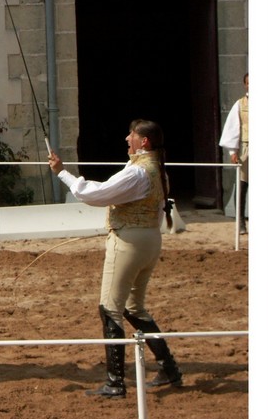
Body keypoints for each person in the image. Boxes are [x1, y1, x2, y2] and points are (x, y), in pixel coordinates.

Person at [48, 120, 183, 398]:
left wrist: (62, 173)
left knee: (110, 308)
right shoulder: (157, 169)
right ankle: (168, 368)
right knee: (134, 308)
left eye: (132, 135)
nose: (126, 138)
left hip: (129, 242)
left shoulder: (137, 172)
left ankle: (115, 382)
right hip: (149, 239)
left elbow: (94, 194)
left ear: (144, 141)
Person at [219, 73, 249, 234]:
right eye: (249, 83)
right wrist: (233, 151)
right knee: (243, 184)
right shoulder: (240, 104)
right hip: (247, 148)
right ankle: (241, 222)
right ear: (245, 85)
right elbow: (232, 127)